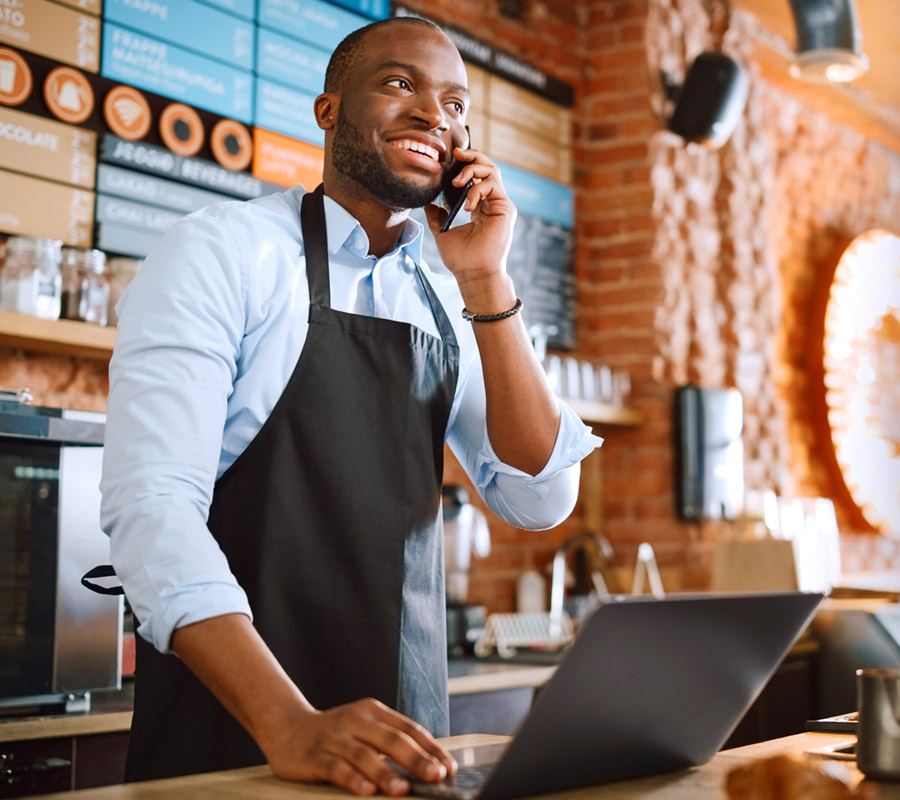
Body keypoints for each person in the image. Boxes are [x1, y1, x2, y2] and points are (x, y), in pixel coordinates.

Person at [100, 15, 601, 797]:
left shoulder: (450, 298)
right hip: (237, 741)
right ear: (328, 110)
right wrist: (289, 723)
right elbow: (154, 512)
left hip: (408, 744)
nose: (436, 114)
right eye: (399, 83)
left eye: (456, 105)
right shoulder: (224, 251)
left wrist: (486, 283)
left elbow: (541, 497)